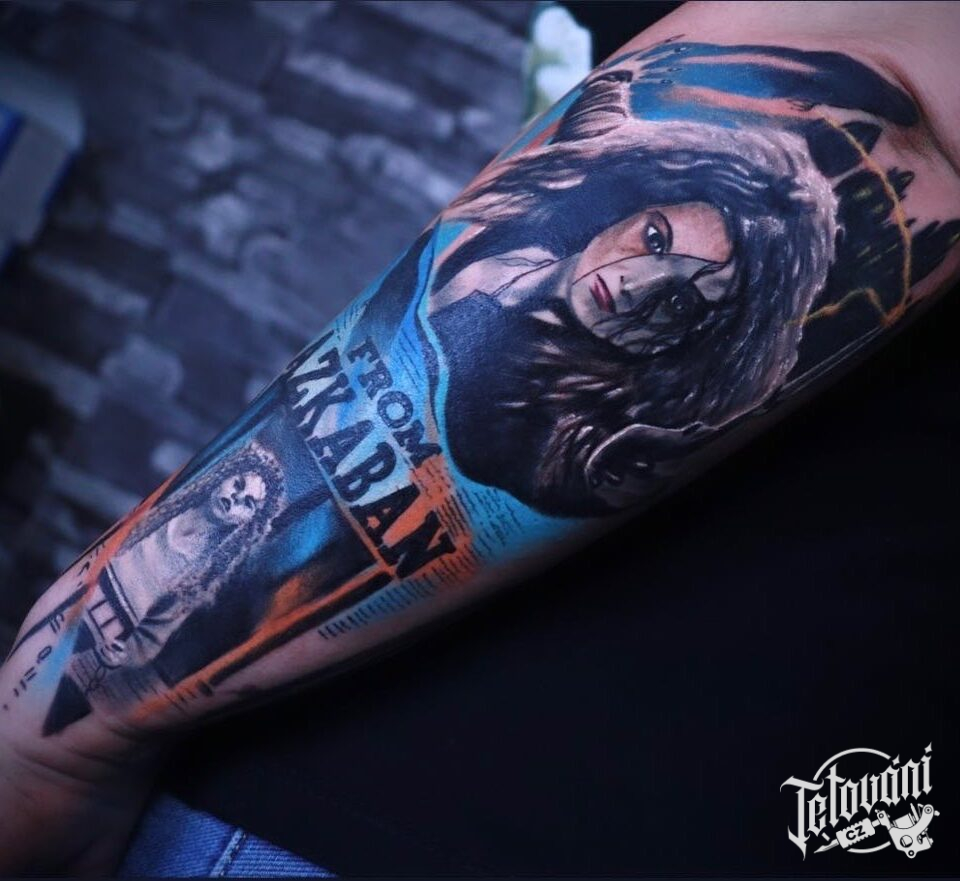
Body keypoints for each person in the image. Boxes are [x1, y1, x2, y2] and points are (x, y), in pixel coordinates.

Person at [1, 1, 959, 874]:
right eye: (656, 240)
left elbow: (889, 90)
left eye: (684, 301)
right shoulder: (518, 270)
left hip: (405, 796)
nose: (637, 287)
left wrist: (64, 718)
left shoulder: (579, 435)